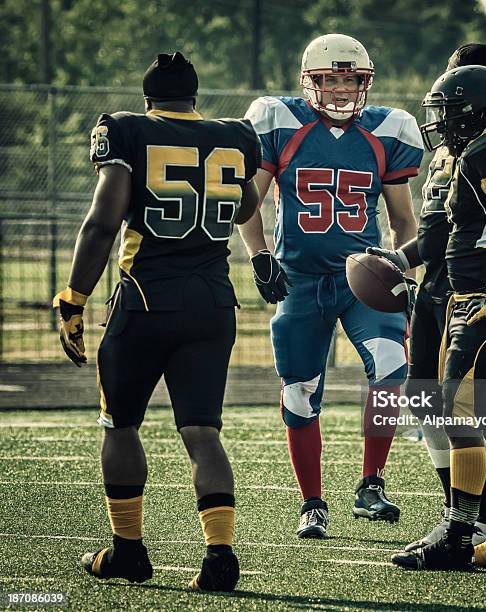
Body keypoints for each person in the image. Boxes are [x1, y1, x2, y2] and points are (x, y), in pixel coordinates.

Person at [52, 52, 261, 591]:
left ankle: (128, 552)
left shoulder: (126, 129)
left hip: (145, 300)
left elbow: (102, 222)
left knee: (119, 425)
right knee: (202, 432)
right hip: (214, 304)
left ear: (148, 98)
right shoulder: (236, 134)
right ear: (195, 97)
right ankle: (220, 557)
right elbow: (243, 209)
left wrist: (74, 297)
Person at [240, 33, 424, 538]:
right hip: (299, 279)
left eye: (351, 80)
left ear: (365, 84)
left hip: (362, 276)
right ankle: (312, 503)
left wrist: (401, 271)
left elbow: (405, 221)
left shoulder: (386, 130)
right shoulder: (282, 122)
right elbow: (247, 203)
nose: (342, 91)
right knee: (299, 393)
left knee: (391, 365)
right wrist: (260, 257)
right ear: (309, 82)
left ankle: (371, 483)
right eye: (331, 80)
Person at [368, 44, 486, 562]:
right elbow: (444, 232)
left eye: (449, 106)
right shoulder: (467, 151)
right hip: (467, 292)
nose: (439, 120)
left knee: (459, 411)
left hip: (480, 295)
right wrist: (398, 260)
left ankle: (459, 531)